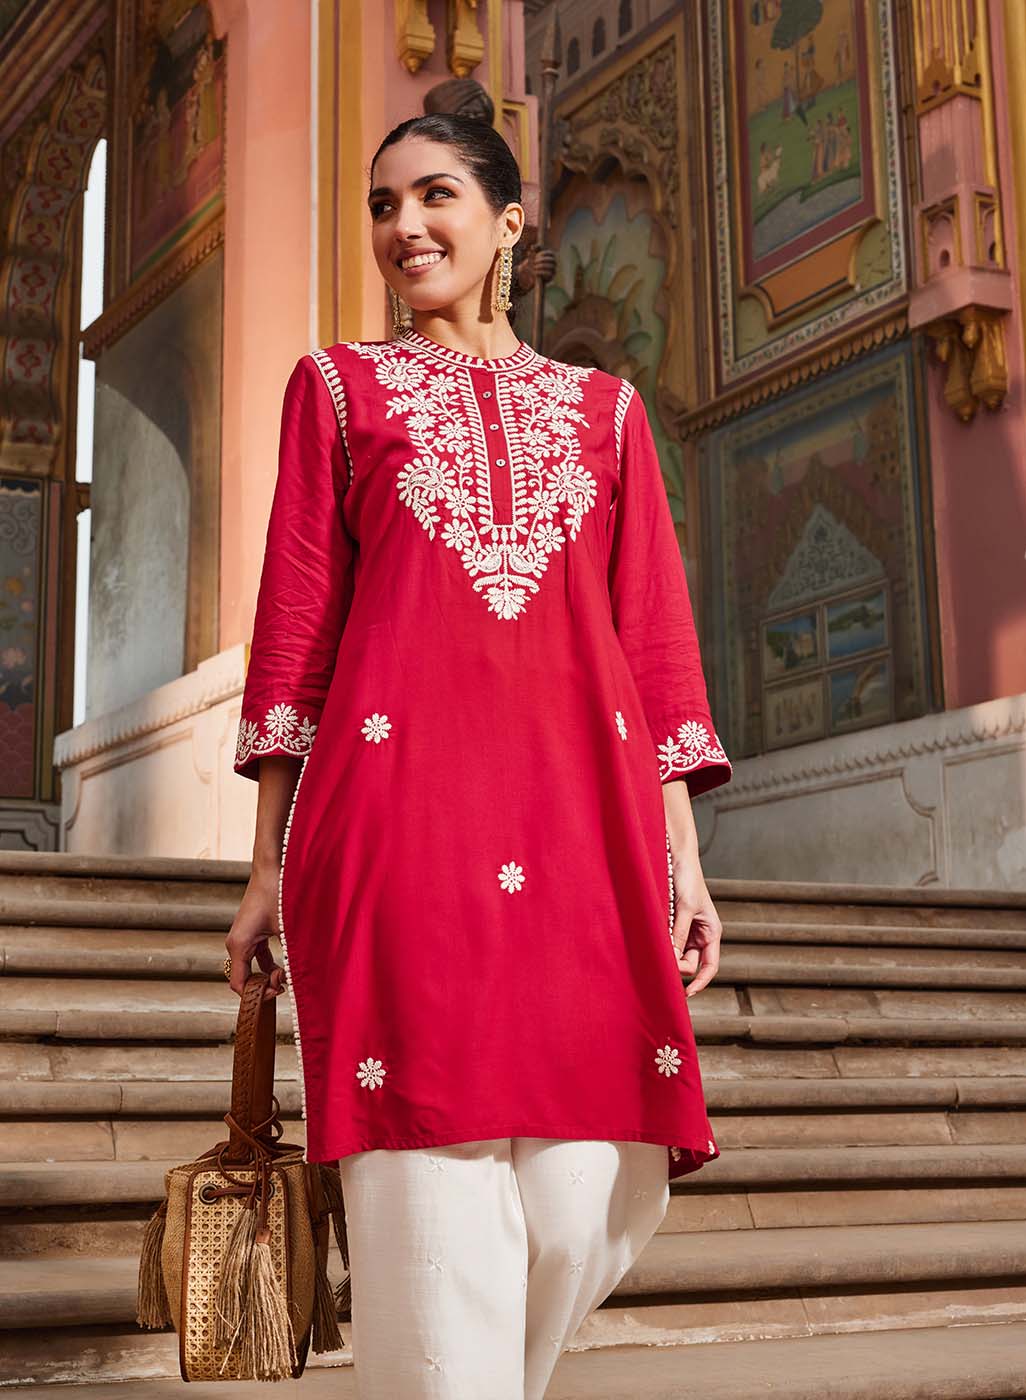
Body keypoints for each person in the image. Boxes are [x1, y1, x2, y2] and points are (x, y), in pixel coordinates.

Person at [225, 112, 732, 1399]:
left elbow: (654, 643)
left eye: (436, 196)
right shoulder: (338, 392)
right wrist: (264, 866)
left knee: (582, 1201)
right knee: (429, 1200)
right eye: (384, 205)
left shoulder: (608, 416)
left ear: (508, 221)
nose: (406, 228)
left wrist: (685, 858)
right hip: (394, 826)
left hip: (584, 834)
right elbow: (295, 635)